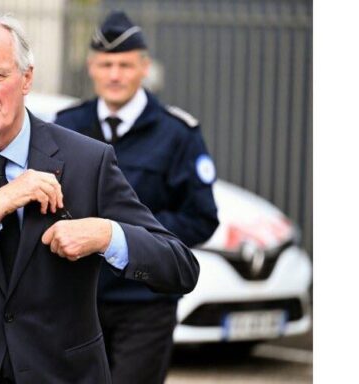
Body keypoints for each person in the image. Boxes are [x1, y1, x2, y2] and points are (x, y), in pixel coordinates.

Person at [0, 12, 200, 384]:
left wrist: (106, 234)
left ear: (26, 78)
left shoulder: (87, 160)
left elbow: (180, 267)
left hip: (60, 373)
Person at [54, 10, 220, 384]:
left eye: (125, 65)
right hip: (78, 300)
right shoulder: (66, 126)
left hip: (145, 303)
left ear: (145, 68)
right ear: (91, 67)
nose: (115, 75)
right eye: (106, 64)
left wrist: (124, 237)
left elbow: (201, 217)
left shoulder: (177, 134)